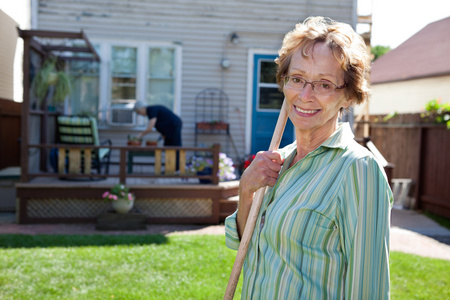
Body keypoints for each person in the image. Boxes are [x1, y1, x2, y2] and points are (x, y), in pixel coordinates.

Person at [225, 16, 393, 299]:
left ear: (349, 96)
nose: (305, 95)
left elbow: (369, 289)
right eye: (298, 79)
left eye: (324, 84)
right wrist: (246, 192)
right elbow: (246, 244)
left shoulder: (359, 170)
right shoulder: (278, 161)